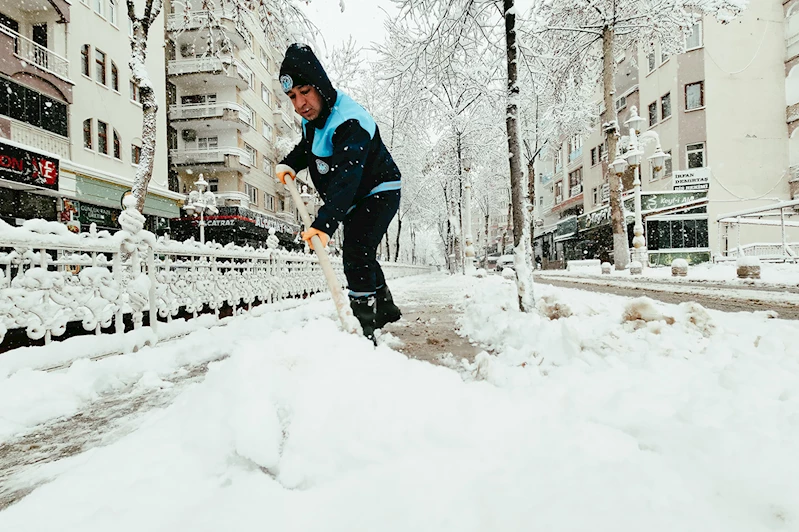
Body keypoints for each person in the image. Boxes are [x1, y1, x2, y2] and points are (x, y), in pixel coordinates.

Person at [275, 43, 402, 341]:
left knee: (357, 250)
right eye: (292, 97)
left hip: (379, 189)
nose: (300, 103)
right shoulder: (313, 121)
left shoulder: (349, 122)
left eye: (305, 91)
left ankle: (363, 324)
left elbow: (346, 178)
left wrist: (324, 222)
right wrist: (289, 164)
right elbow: (307, 149)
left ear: (320, 86)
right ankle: (385, 307)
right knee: (362, 250)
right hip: (355, 195)